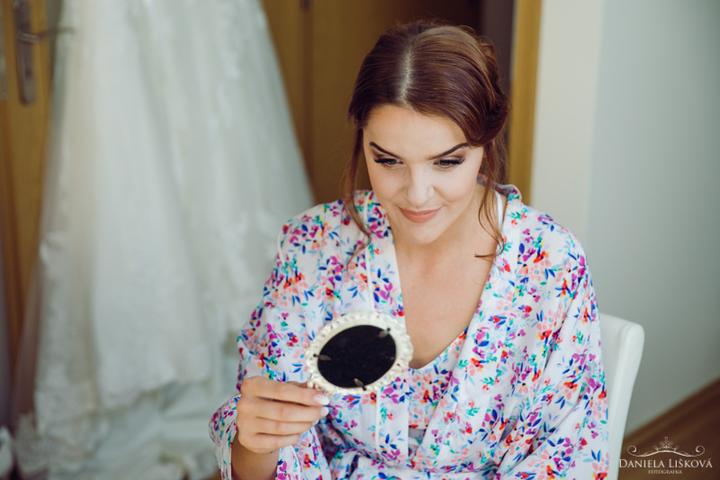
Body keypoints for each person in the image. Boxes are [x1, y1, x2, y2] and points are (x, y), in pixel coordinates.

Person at [209, 19, 609, 480]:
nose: (417, 195)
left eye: (447, 161)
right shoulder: (313, 247)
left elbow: (566, 457)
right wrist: (254, 443)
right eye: (388, 160)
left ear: (487, 141)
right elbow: (270, 457)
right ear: (362, 140)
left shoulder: (550, 264)